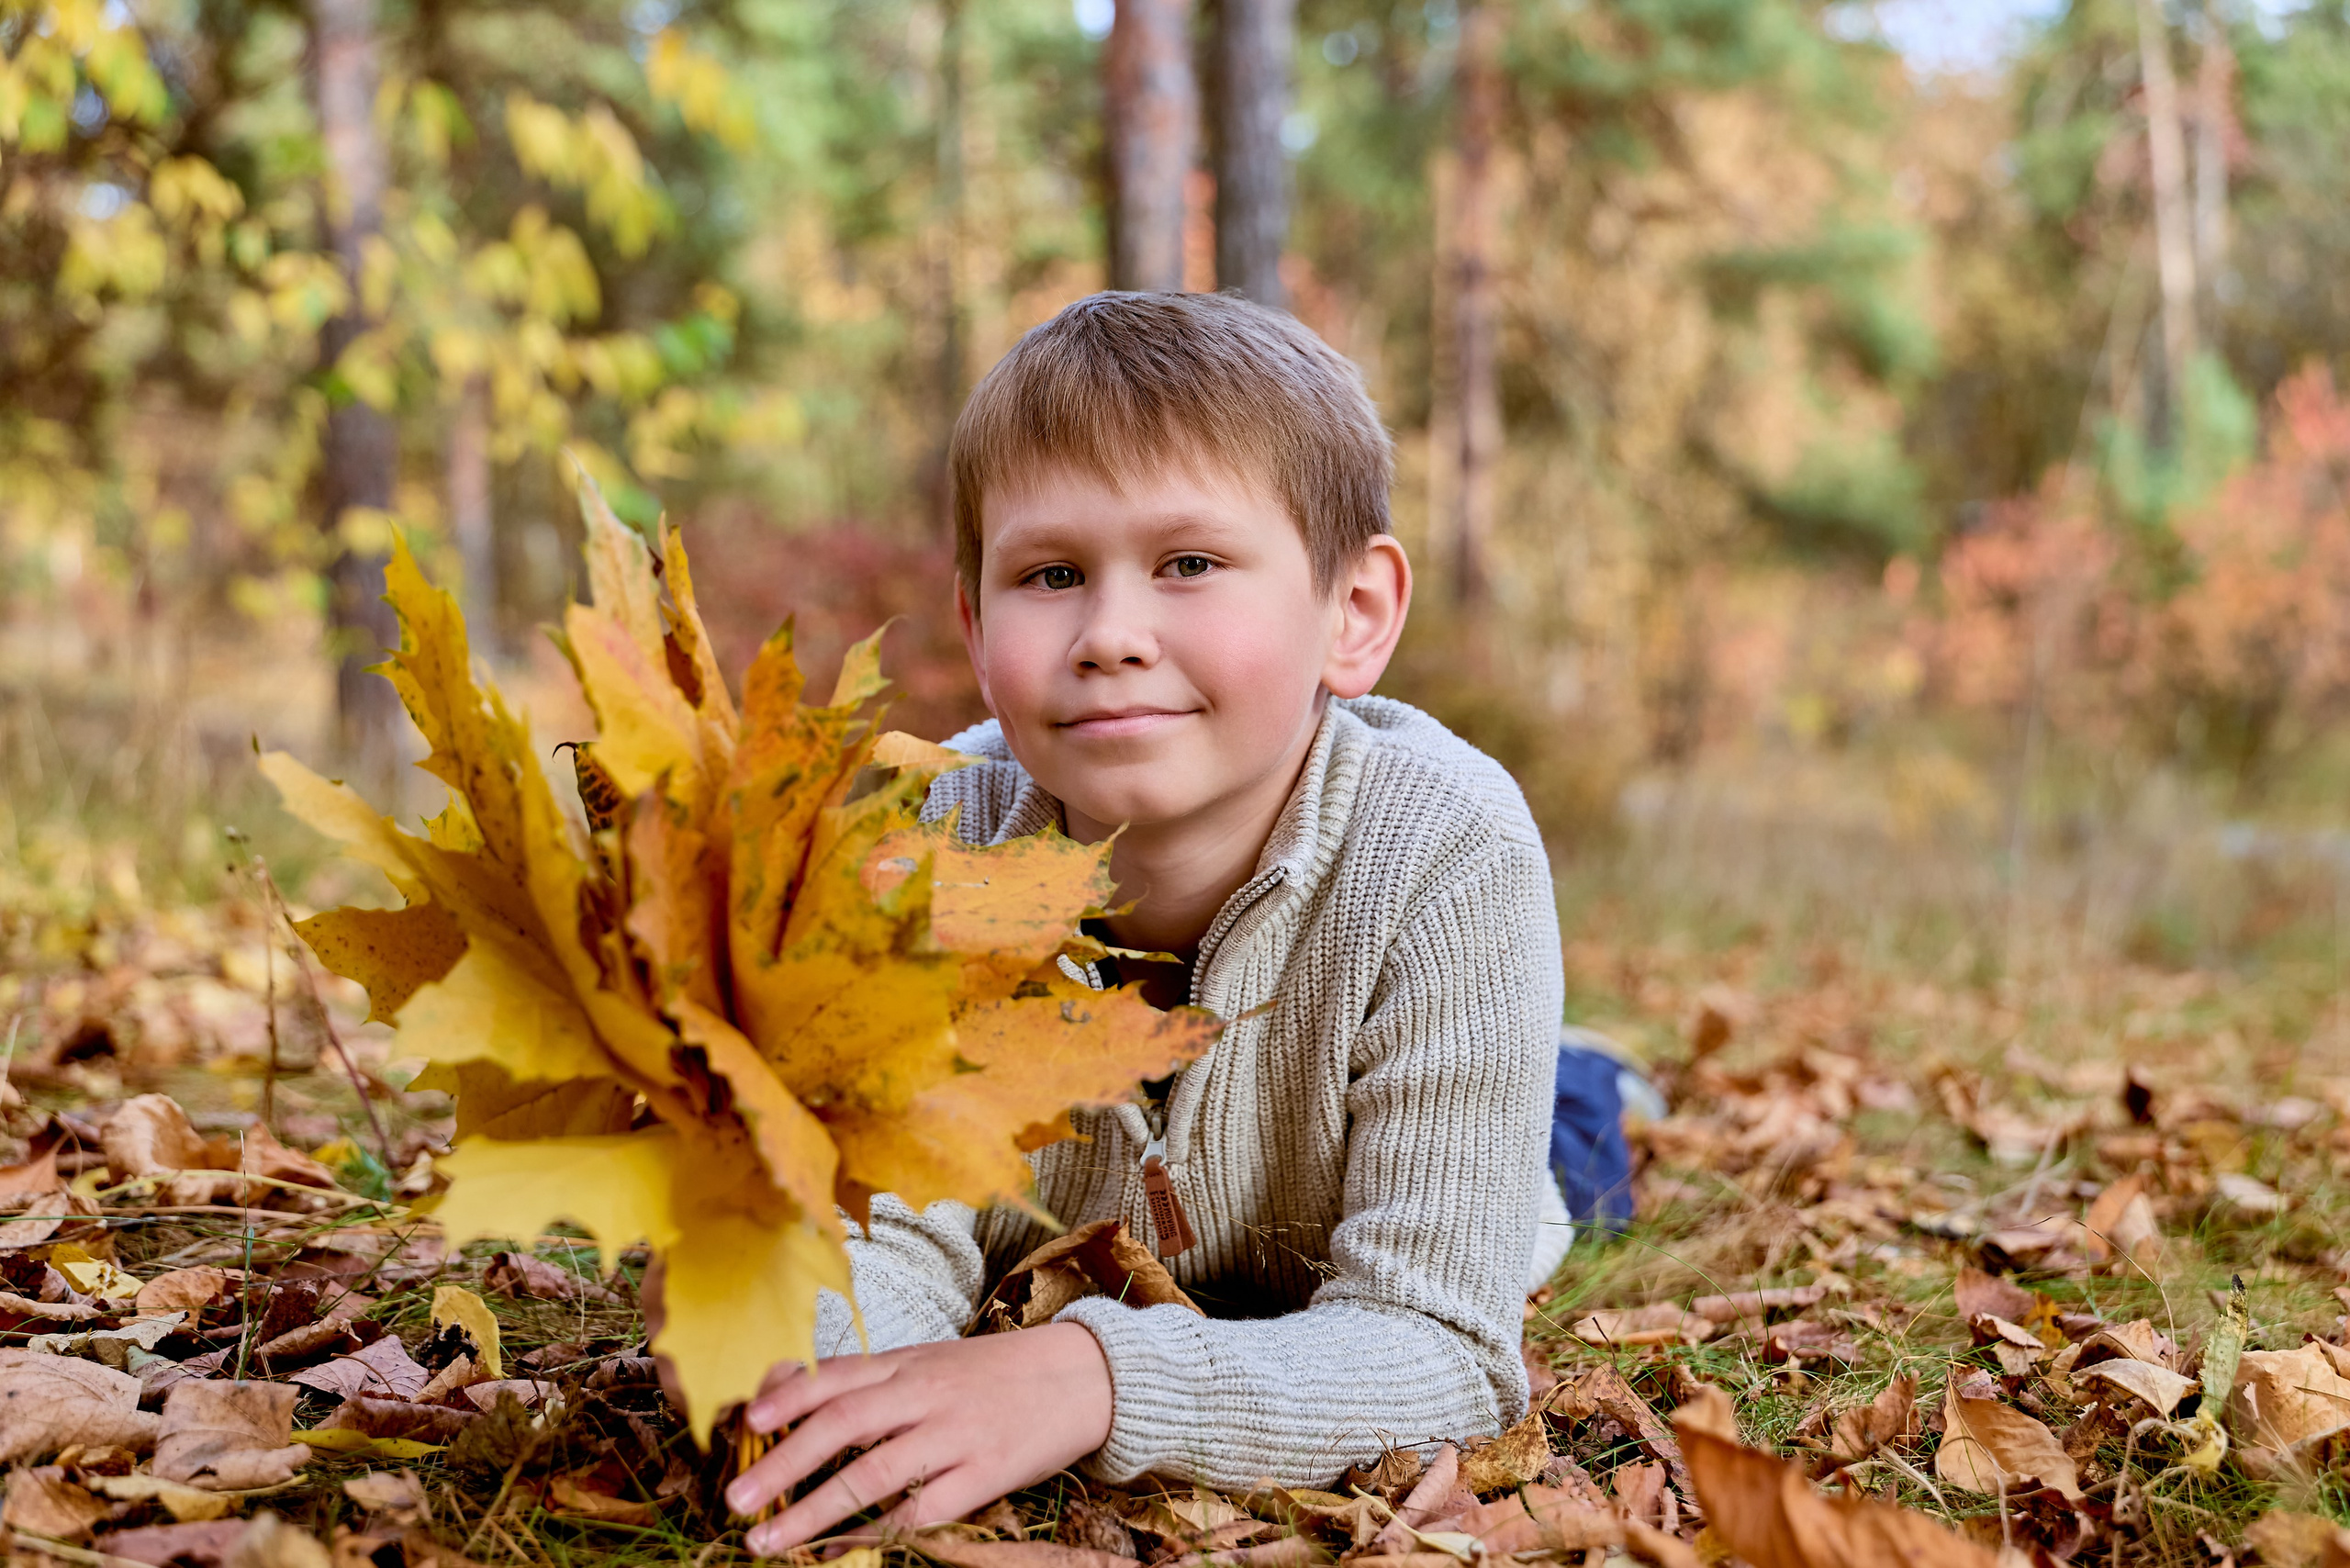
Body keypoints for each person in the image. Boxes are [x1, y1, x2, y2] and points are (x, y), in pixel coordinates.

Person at [722, 291, 1570, 1554]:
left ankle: (1594, 1080)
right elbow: (880, 1240)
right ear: (974, 619)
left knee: (1579, 1146)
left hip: (1406, 1172)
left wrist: (1095, 1377)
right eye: (1051, 575)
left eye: (1189, 564)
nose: (1111, 636)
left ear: (1355, 613)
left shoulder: (1449, 851)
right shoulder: (926, 849)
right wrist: (789, 1351)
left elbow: (1438, 1345)